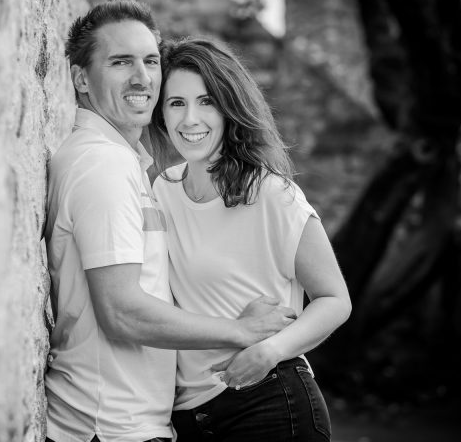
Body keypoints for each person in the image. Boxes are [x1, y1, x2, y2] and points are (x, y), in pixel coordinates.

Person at [43, 0, 298, 442]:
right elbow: (121, 311)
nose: (142, 78)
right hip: (109, 429)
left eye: (150, 61)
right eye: (121, 62)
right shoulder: (102, 165)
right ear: (81, 78)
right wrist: (242, 330)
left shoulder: (123, 163)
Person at [150, 36, 352, 441]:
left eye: (206, 101)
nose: (190, 119)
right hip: (190, 420)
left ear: (229, 109)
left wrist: (269, 351)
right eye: (177, 103)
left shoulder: (271, 194)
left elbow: (335, 300)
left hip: (270, 404)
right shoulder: (162, 191)